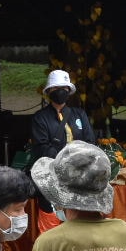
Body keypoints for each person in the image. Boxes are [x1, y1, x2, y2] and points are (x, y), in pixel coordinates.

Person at [28, 70, 99, 236]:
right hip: (52, 177)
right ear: (49, 91)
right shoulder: (40, 118)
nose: (60, 91)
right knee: (51, 224)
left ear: (69, 91)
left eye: (64, 88)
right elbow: (43, 149)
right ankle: (50, 248)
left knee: (78, 222)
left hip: (79, 177)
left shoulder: (79, 114)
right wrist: (66, 163)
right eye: (56, 88)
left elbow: (90, 142)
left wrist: (79, 163)